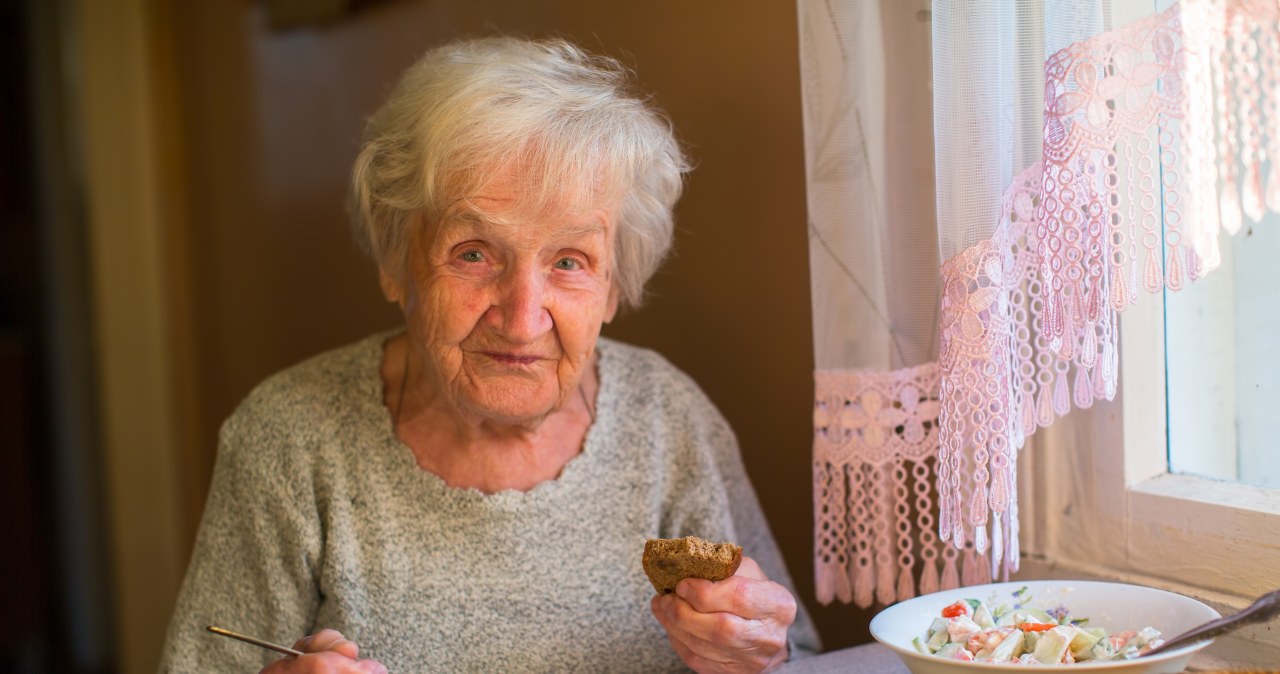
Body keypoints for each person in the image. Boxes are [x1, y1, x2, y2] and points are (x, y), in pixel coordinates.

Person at [159, 36, 819, 674]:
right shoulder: (289, 439)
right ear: (396, 263)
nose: (522, 317)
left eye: (569, 261)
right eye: (473, 253)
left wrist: (759, 656)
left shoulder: (669, 418)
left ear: (614, 287)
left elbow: (799, 658)